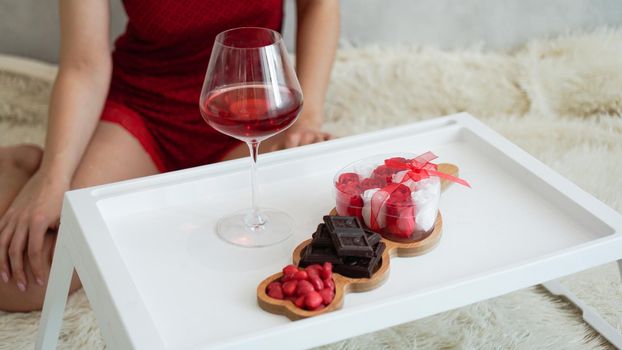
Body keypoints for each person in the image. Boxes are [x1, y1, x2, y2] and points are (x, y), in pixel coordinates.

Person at [0, 0, 339, 312]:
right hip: (145, 112)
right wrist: (52, 175)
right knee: (29, 283)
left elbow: (319, 4)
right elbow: (82, 63)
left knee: (299, 251)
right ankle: (31, 163)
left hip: (252, 115)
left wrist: (307, 121)